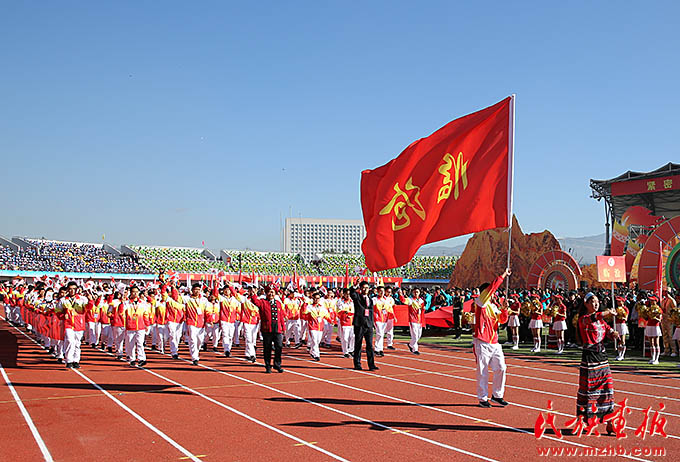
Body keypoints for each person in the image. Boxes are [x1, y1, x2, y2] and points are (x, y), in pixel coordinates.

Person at [576, 293, 619, 433]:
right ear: (586, 304)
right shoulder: (583, 319)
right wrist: (608, 312)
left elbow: (608, 330)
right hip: (590, 359)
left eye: (597, 302)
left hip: (602, 358)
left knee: (608, 389)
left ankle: (610, 422)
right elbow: (594, 317)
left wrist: (614, 334)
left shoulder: (602, 322)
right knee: (588, 391)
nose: (596, 304)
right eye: (592, 302)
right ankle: (583, 420)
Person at [473, 268, 511, 408]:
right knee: (482, 371)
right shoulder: (480, 303)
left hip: (494, 342)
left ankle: (497, 395)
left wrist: (504, 309)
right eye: (490, 292)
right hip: (482, 342)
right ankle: (482, 398)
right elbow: (493, 286)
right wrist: (504, 275)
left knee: (501, 368)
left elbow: (502, 320)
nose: (493, 294)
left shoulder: (493, 307)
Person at [249, 285, 285, 373]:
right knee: (267, 348)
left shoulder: (278, 303)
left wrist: (283, 327)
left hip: (277, 329)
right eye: (269, 292)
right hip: (267, 329)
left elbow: (281, 316)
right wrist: (253, 294)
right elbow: (255, 302)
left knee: (279, 347)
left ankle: (277, 364)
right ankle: (268, 365)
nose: (271, 294)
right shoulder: (263, 302)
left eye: (272, 292)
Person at [350, 281, 378, 371]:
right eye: (363, 288)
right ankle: (357, 364)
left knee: (369, 345)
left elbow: (371, 312)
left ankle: (371, 364)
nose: (365, 289)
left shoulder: (370, 299)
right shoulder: (357, 297)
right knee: (358, 344)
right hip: (359, 324)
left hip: (368, 325)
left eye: (367, 288)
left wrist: (372, 324)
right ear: (360, 288)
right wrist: (355, 285)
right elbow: (352, 293)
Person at [403, 288, 425, 355]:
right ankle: (415, 349)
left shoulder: (421, 301)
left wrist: (423, 308)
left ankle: (411, 344)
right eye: (414, 292)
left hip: (419, 320)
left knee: (418, 335)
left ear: (419, 293)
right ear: (412, 293)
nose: (416, 293)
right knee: (415, 335)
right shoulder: (410, 300)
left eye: (417, 292)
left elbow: (422, 310)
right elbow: (403, 300)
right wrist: (401, 294)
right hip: (413, 320)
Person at [661, 290, 677, 356]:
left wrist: (672, 318)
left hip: (669, 319)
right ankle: (666, 350)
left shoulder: (671, 300)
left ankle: (674, 350)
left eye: (665, 291)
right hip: (663, 319)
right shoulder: (663, 300)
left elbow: (675, 309)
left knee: (670, 335)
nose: (663, 293)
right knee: (664, 335)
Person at [613, 296, 629, 360]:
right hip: (616, 324)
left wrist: (620, 317)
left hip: (622, 324)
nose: (618, 302)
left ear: (623, 301)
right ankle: (619, 354)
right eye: (617, 301)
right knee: (618, 340)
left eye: (619, 301)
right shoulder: (616, 308)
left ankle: (622, 355)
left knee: (622, 340)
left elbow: (626, 318)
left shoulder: (625, 309)